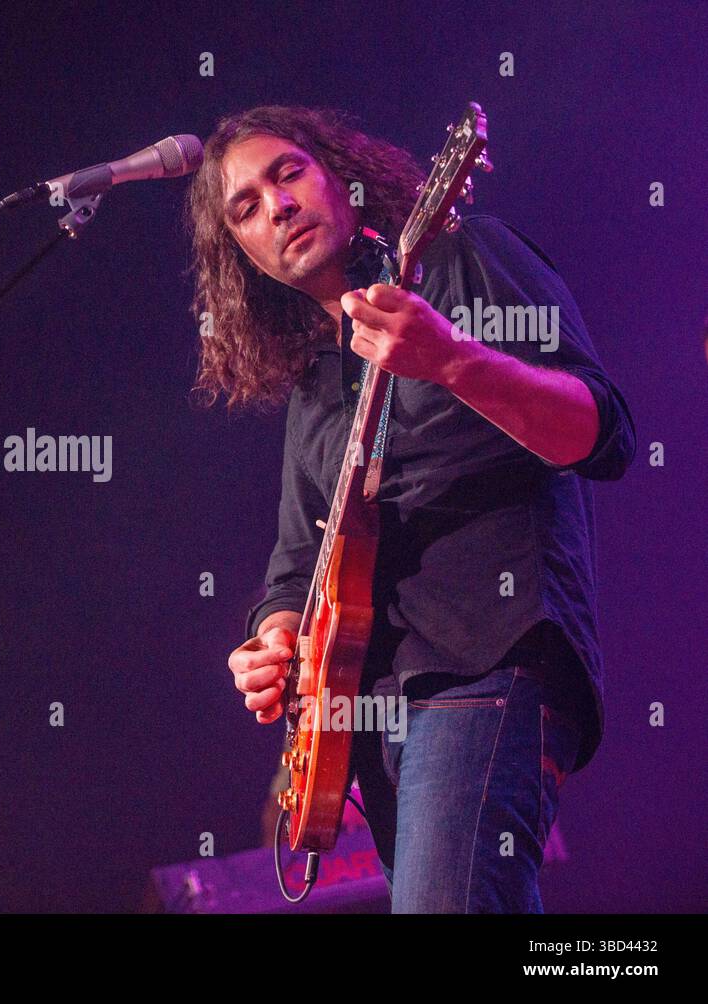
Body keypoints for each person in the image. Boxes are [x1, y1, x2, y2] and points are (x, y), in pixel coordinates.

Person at [188, 106, 635, 913]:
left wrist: (454, 361)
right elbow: (296, 564)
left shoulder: (462, 258)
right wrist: (274, 638)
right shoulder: (315, 388)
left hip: (488, 658)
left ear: (339, 174)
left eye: (287, 173)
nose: (277, 205)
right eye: (246, 207)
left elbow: (603, 432)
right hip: (370, 717)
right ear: (243, 257)